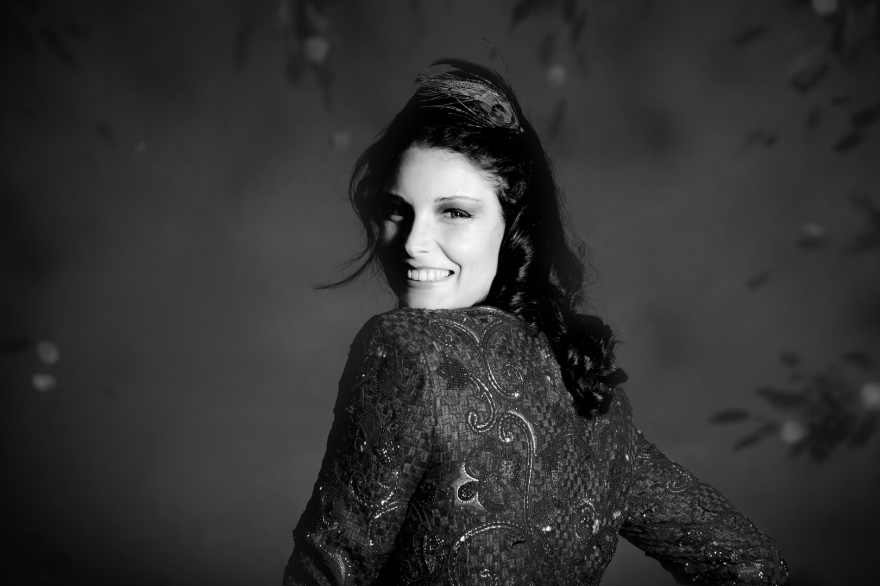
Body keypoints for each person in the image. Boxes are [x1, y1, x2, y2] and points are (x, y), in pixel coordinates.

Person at [282, 59, 790, 586]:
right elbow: (753, 564)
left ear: (512, 228)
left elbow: (327, 572)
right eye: (397, 209)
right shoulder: (590, 391)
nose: (413, 242)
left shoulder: (405, 348)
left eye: (455, 212)